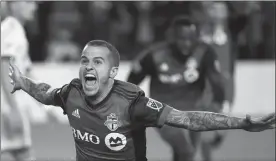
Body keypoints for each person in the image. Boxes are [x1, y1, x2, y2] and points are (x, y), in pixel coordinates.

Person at [8, 40, 275, 161]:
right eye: (84, 61)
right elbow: (46, 93)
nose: (88, 67)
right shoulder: (72, 93)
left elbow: (188, 119)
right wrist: (24, 83)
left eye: (97, 62)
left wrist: (241, 122)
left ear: (113, 72)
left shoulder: (132, 103)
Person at [127, 16, 228, 161]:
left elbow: (216, 81)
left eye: (191, 39)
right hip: (162, 112)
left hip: (194, 111)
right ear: (172, 38)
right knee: (186, 151)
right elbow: (132, 81)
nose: (187, 44)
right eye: (182, 39)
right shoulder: (154, 55)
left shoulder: (205, 52)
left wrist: (219, 106)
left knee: (186, 154)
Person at [1, 2, 37, 161]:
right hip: (8, 106)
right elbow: (3, 67)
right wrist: (12, 108)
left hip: (12, 105)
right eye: (29, 1)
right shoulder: (10, 30)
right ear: (14, 5)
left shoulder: (18, 30)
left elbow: (27, 72)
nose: (34, 6)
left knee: (16, 151)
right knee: (19, 153)